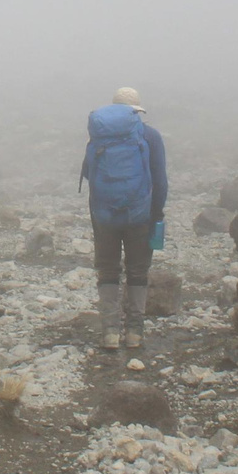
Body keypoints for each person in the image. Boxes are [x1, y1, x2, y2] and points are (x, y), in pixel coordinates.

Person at [79, 86, 168, 353]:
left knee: (108, 270)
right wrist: (157, 212)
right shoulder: (150, 136)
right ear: (137, 111)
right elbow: (160, 181)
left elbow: (88, 173)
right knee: (137, 270)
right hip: (140, 214)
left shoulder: (98, 137)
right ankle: (134, 334)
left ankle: (109, 332)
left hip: (104, 213)